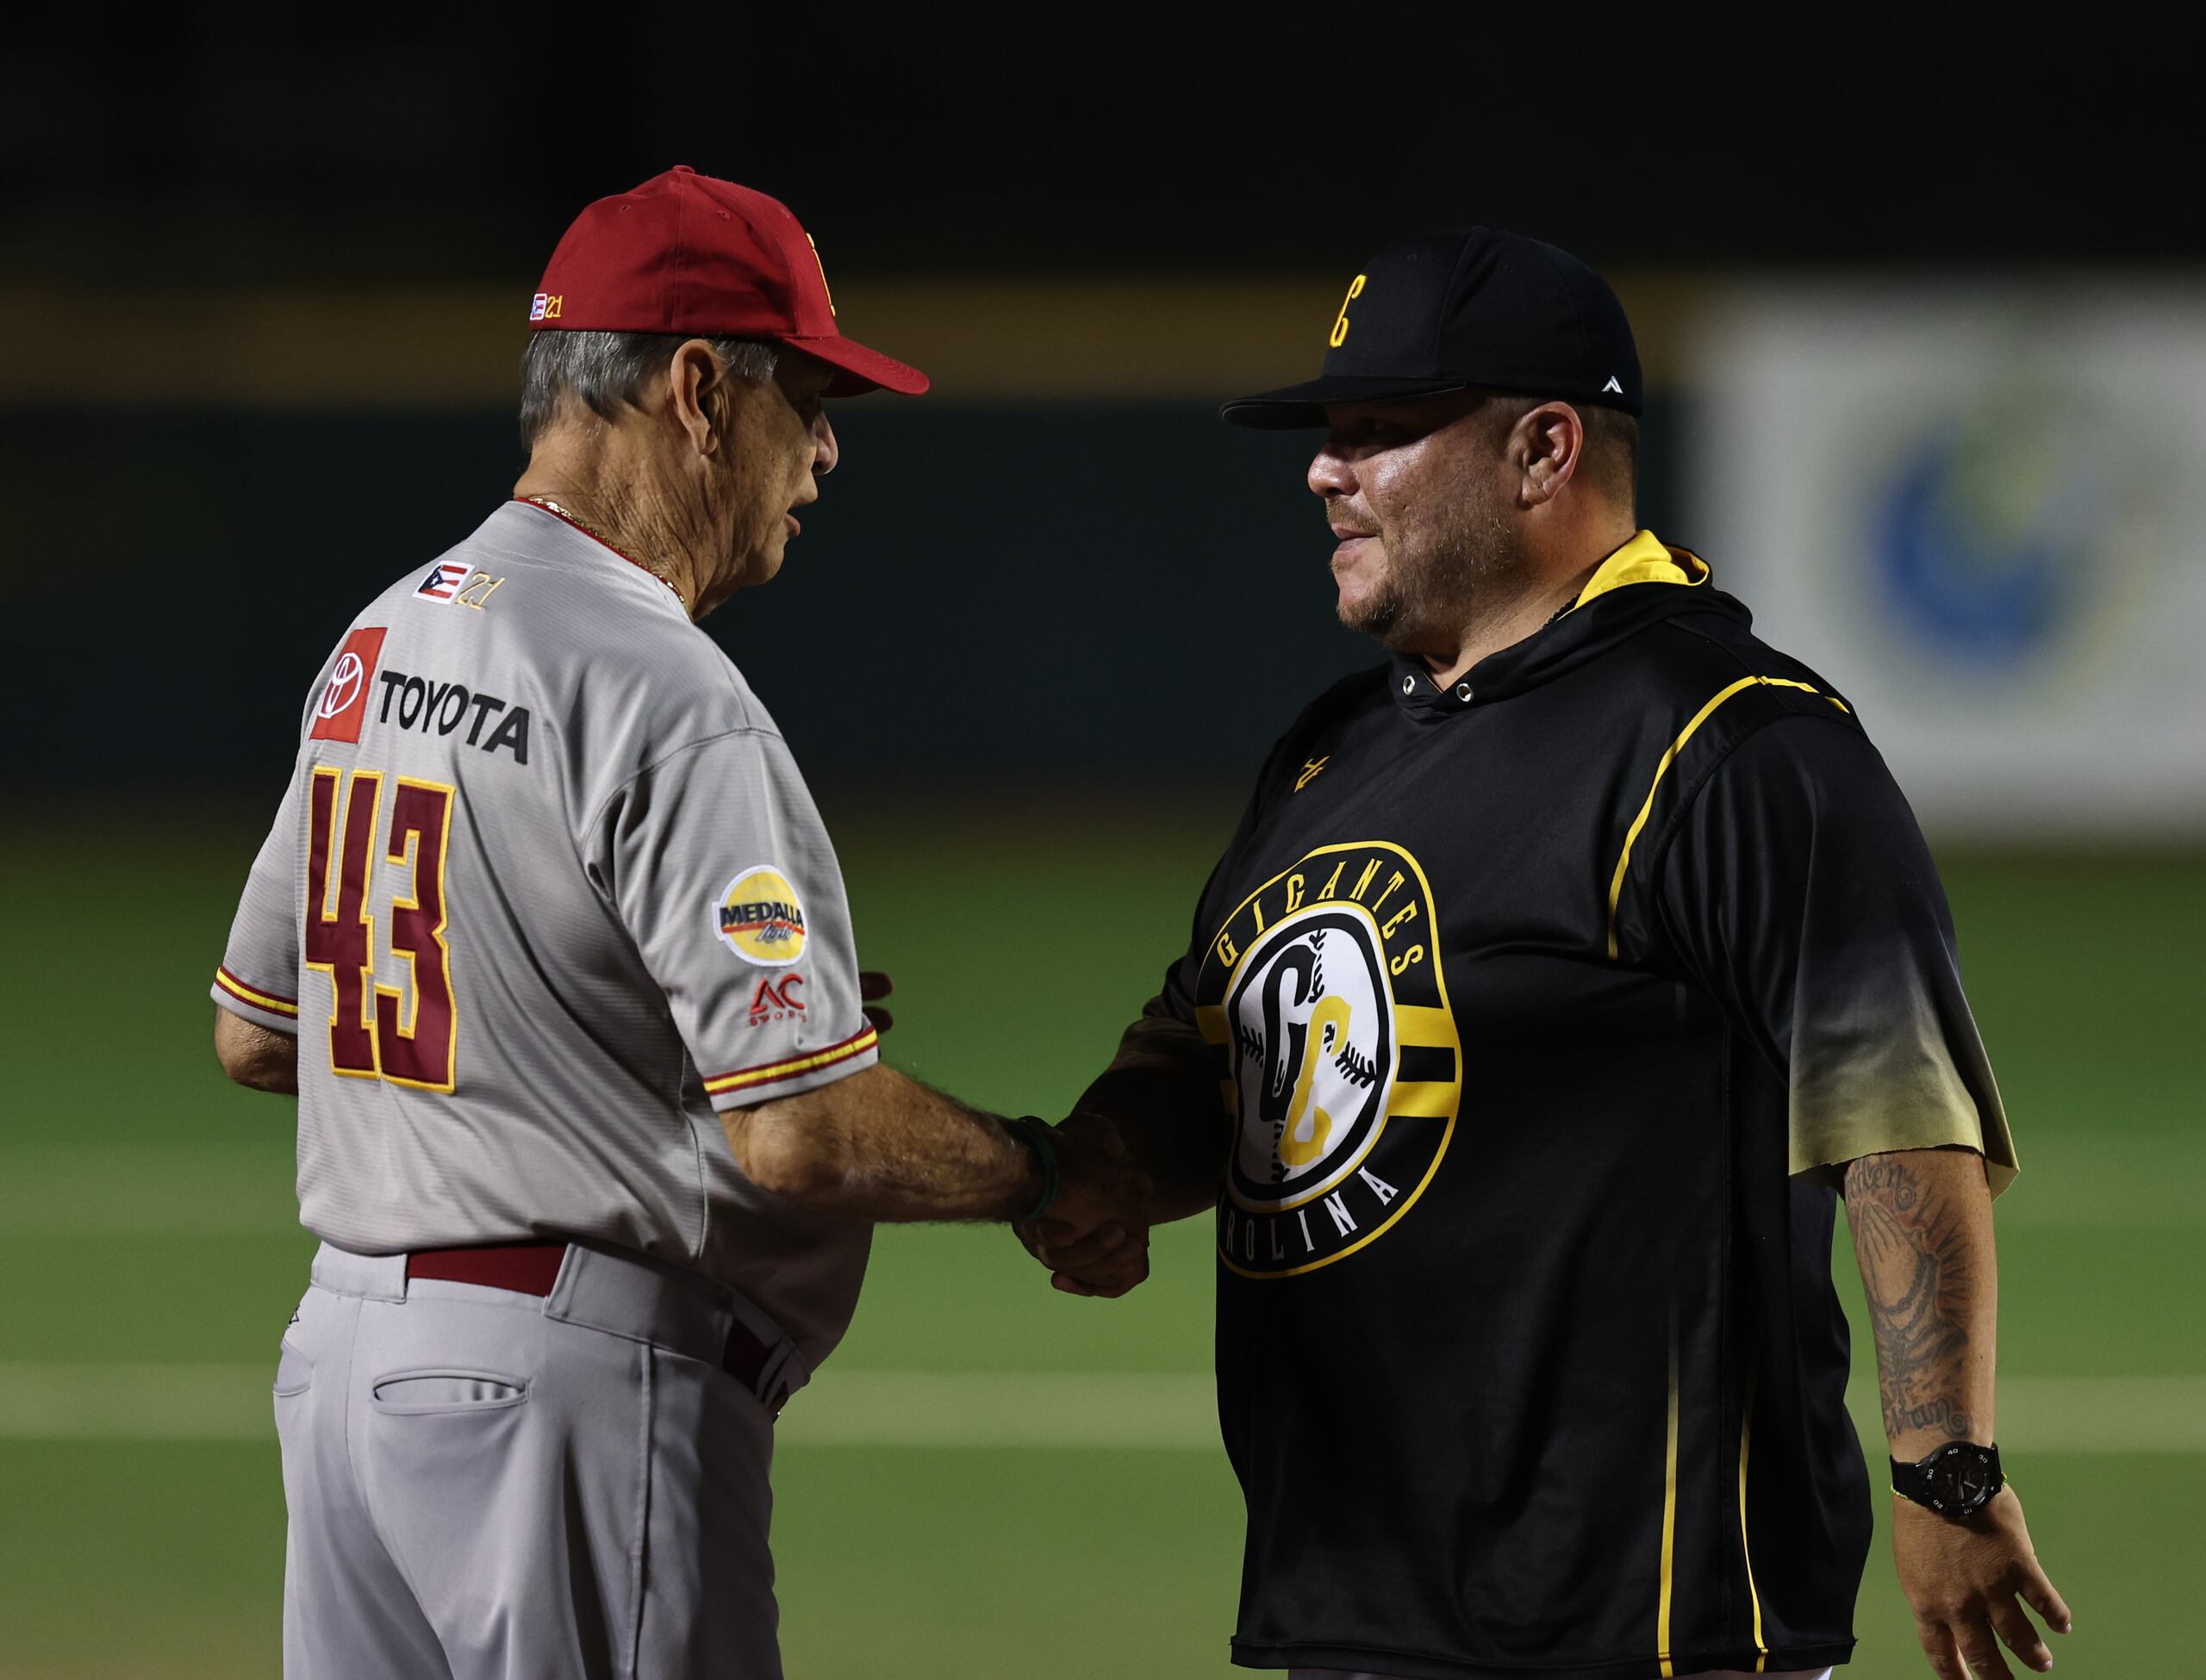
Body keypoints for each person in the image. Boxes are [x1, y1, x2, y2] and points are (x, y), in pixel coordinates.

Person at [1026, 228, 2071, 1680]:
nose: (1326, 471)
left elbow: (1898, 1124)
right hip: (1350, 1606)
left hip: (1639, 1625)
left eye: (1380, 432)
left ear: (1543, 448)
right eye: (1327, 437)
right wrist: (1102, 1166)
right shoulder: (1337, 748)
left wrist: (1945, 1473)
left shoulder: (1730, 739)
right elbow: (1210, 1042)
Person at [209, 165, 1143, 1680]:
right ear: (699, 388)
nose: (826, 452)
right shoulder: (658, 686)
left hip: (343, 1395)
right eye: (809, 398)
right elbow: (805, 1137)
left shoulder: (377, 639)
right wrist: (1042, 1169)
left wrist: (600, 1016)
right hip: (562, 1399)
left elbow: (256, 1028)